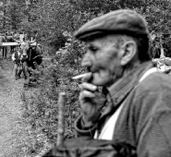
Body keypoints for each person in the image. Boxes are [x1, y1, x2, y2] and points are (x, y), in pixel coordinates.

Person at [73, 9, 171, 157]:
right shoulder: (125, 96)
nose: (84, 62)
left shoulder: (155, 92)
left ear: (126, 52)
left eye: (93, 49)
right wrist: (89, 122)